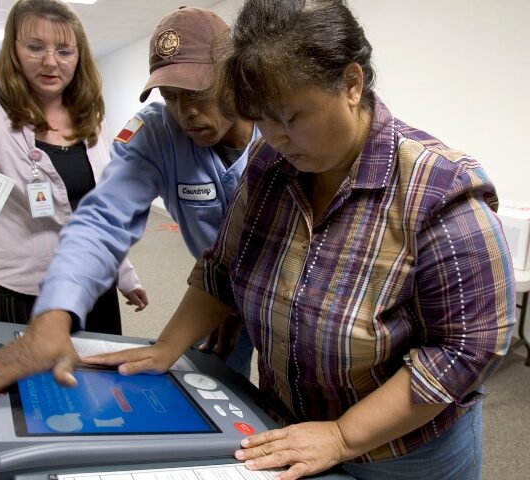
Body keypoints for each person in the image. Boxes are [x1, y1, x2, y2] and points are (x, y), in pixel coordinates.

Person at [78, 1, 517, 479]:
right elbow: (224, 266)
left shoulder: (439, 193)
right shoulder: (271, 167)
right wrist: (168, 348)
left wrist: (343, 435)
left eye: (290, 117)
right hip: (290, 425)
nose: (275, 137)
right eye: (262, 119)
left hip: (405, 454)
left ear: (352, 84)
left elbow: (464, 351)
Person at [0, 5, 258, 410]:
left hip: (288, 293)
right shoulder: (155, 133)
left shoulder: (278, 126)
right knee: (226, 394)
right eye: (171, 96)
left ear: (235, 77)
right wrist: (54, 315)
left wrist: (243, 300)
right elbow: (102, 221)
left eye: (199, 93)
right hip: (212, 295)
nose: (186, 112)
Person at [0, 0, 147, 334]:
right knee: (29, 386)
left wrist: (124, 272)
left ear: (79, 58)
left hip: (93, 283)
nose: (51, 61)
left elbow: (103, 209)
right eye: (35, 47)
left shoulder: (91, 119)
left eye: (64, 51)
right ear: (14, 51)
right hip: (21, 291)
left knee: (98, 383)